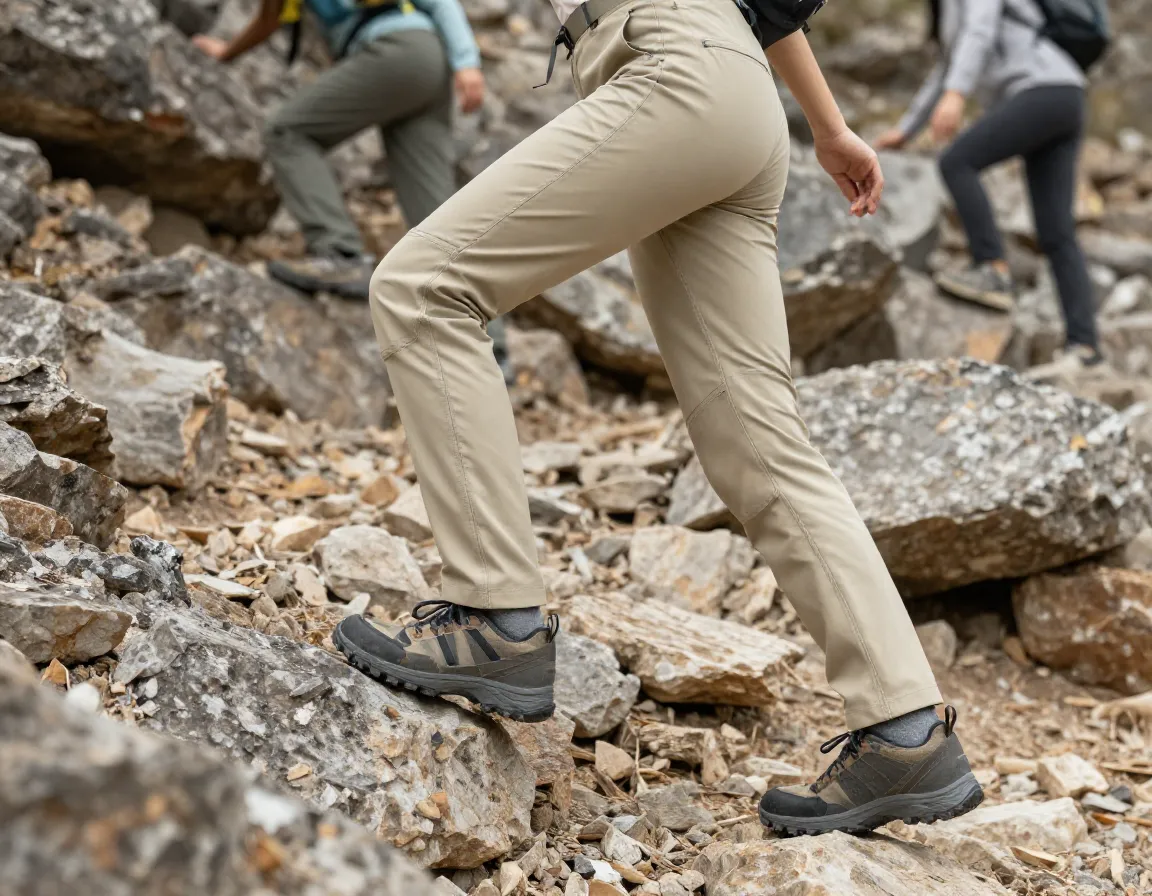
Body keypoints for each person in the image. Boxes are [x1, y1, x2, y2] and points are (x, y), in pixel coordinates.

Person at [331, 0, 984, 835]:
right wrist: (829, 126)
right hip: (737, 97)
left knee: (424, 288)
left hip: (670, 66)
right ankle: (904, 728)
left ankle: (494, 617)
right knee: (759, 444)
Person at [193, 0, 513, 378]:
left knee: (287, 131)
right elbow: (270, 17)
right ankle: (491, 348)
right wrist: (461, 61)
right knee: (435, 216)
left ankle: (338, 253)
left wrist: (469, 61)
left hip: (396, 53)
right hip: (427, 59)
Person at [877, 0, 1100, 375]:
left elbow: (979, 31)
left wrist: (957, 94)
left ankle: (992, 267)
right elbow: (949, 64)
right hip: (1063, 93)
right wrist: (907, 128)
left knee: (957, 162)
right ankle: (1086, 345)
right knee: (1056, 232)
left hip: (1043, 91)